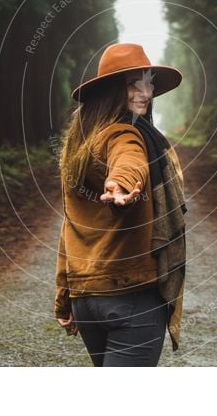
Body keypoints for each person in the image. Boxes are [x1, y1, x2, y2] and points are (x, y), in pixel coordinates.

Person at [53, 42, 188, 367]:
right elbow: (128, 159)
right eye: (133, 83)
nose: (146, 92)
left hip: (87, 299)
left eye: (148, 82)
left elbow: (69, 225)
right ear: (112, 90)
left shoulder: (81, 145)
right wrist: (121, 185)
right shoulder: (124, 135)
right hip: (132, 296)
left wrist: (64, 296)